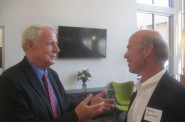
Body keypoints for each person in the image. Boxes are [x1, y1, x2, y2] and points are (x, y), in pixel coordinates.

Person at [0, 24, 115, 122]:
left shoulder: (52, 74)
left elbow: (65, 107)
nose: (57, 49)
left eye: (57, 44)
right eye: (51, 43)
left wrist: (89, 105)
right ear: (31, 45)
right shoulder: (9, 80)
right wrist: (76, 117)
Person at [123, 30, 185, 122]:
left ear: (147, 50)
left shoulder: (180, 96)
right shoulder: (138, 91)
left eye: (129, 48)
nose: (125, 55)